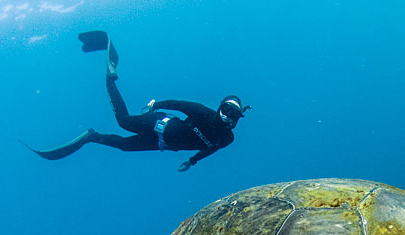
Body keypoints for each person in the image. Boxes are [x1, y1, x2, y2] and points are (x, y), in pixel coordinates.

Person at [22, 31, 249, 171]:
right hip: (160, 123)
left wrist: (193, 161)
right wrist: (156, 104)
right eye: (226, 109)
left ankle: (91, 137)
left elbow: (212, 149)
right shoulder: (204, 113)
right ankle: (111, 77)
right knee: (124, 121)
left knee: (123, 146)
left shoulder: (227, 138)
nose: (227, 115)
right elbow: (179, 104)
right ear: (220, 106)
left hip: (163, 144)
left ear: (239, 117)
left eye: (233, 113)